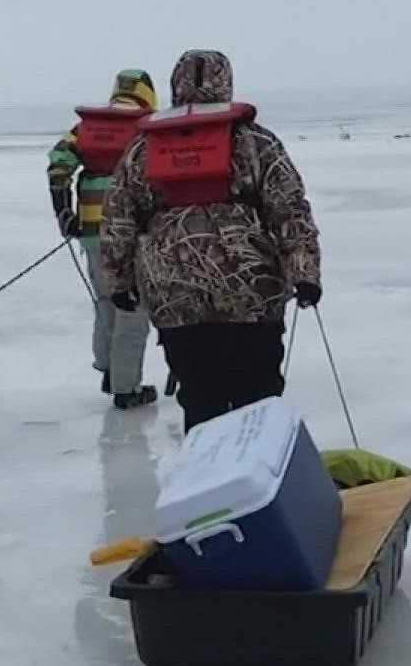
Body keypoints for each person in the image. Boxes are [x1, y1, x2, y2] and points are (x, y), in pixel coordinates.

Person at [100, 50, 323, 430]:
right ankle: (256, 478)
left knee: (201, 402)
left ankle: (208, 479)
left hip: (174, 293)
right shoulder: (257, 142)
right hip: (251, 292)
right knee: (259, 400)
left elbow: (118, 217)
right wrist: (305, 273)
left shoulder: (142, 149)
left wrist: (119, 281)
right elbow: (290, 210)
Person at [47, 69, 159, 409]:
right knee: (133, 308)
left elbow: (58, 165)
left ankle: (110, 370)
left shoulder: (87, 128)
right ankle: (127, 389)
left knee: (106, 300)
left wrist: (64, 212)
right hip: (133, 231)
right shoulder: (146, 127)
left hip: (92, 230)